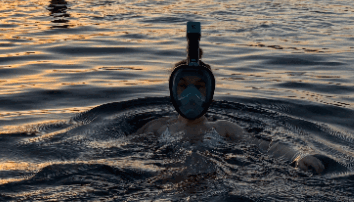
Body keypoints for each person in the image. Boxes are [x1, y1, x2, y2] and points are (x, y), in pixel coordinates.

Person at [137, 25, 326, 175]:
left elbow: (265, 146)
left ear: (210, 91)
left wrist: (297, 156)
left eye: (200, 87)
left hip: (212, 183)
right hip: (168, 184)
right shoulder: (156, 127)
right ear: (172, 90)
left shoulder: (223, 128)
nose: (191, 94)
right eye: (183, 86)